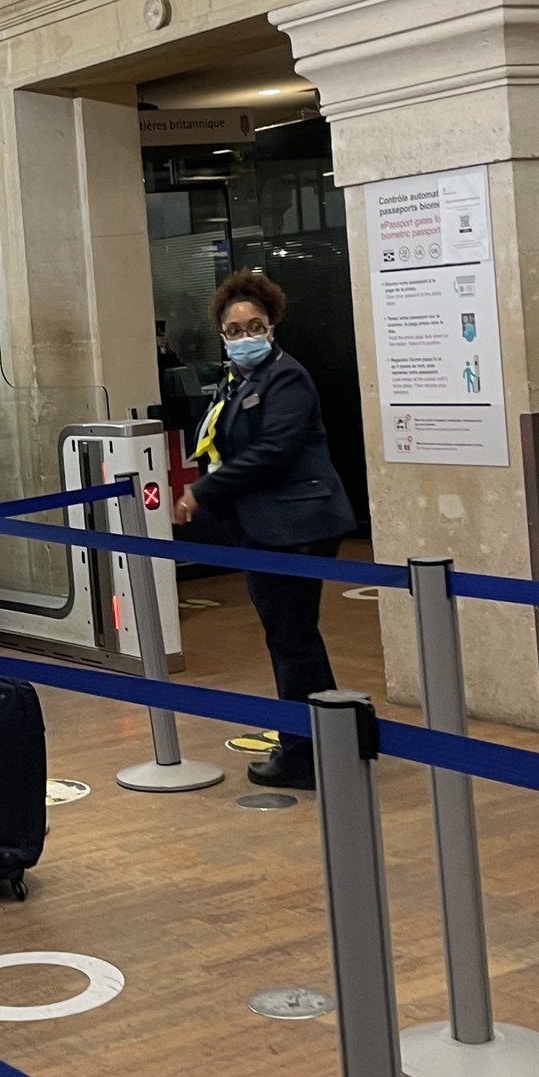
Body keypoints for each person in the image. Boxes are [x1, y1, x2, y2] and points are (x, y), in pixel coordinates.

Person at [173, 270, 355, 790]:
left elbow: (275, 450)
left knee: (292, 638)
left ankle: (306, 752)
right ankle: (332, 737)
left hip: (296, 524)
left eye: (255, 326)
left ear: (272, 326)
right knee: (293, 637)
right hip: (270, 523)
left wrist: (201, 492)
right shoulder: (239, 381)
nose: (245, 336)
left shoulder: (286, 376)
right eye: (234, 330)